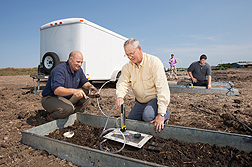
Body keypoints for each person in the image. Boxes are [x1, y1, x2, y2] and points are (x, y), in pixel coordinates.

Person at [115, 38, 170, 132]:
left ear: (139, 48)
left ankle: (165, 113)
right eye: (127, 55)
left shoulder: (154, 62)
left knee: (148, 116)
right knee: (130, 122)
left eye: (132, 53)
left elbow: (162, 88)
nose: (130, 57)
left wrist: (161, 114)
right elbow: (122, 83)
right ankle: (148, 112)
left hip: (154, 100)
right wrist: (120, 96)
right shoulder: (128, 67)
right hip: (140, 102)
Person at [41, 51, 98, 121]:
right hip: (51, 97)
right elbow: (57, 90)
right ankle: (51, 117)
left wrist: (90, 86)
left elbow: (84, 82)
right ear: (70, 59)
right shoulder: (59, 70)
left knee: (86, 94)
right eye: (78, 62)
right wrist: (74, 91)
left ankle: (72, 117)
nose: (80, 64)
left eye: (81, 62)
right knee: (68, 108)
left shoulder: (78, 70)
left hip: (65, 98)